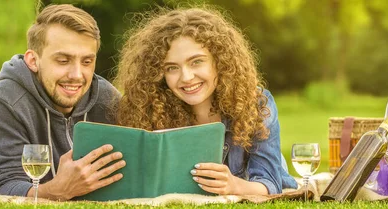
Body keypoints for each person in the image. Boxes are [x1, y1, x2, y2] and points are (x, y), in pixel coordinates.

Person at [114, 7, 298, 195]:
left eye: (196, 62)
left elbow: (270, 184)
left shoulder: (256, 103)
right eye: (171, 68)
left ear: (220, 61)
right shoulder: (149, 110)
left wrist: (233, 185)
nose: (186, 77)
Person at [0, 4, 125, 201]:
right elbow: (1, 187)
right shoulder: (5, 103)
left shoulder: (107, 99)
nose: (77, 75)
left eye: (86, 62)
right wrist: (59, 190)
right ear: (33, 60)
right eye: (63, 60)